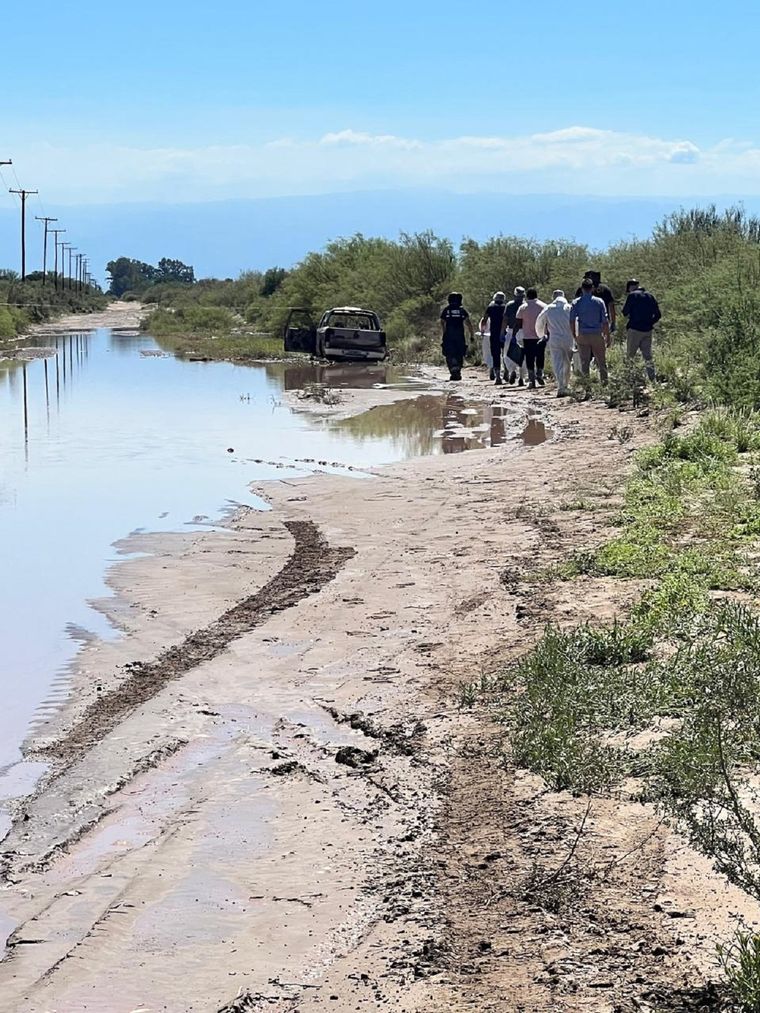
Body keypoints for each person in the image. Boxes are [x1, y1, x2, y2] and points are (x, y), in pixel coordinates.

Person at [570, 278, 610, 385]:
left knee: (585, 363)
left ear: (582, 289)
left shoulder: (576, 302)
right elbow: (605, 321)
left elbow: (572, 320)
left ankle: (587, 388)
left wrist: (574, 334)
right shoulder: (599, 301)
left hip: (583, 335)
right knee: (601, 362)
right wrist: (607, 336)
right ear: (592, 288)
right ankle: (605, 384)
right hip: (597, 334)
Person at [536, 290, 574, 397]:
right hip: (568, 339)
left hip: (555, 339)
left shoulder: (548, 309)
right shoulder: (569, 308)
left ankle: (560, 386)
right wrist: (577, 336)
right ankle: (565, 385)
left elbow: (539, 322)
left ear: (553, 297)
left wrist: (541, 334)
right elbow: (575, 322)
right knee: (567, 362)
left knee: (557, 362)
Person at [622, 279, 661, 381]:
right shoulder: (650, 296)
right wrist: (650, 323)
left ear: (630, 287)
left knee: (630, 356)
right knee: (648, 356)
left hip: (634, 329)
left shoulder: (632, 296)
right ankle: (652, 378)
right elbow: (658, 314)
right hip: (647, 330)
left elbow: (625, 312)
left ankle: (628, 378)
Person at [516, 287, 548, 390]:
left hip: (527, 337)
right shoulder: (544, 306)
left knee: (529, 358)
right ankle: (539, 373)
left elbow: (519, 322)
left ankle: (531, 379)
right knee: (540, 356)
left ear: (527, 296)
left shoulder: (523, 307)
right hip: (541, 336)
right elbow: (548, 321)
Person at [440, 292, 473, 381]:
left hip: (448, 335)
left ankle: (453, 371)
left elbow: (442, 321)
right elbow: (468, 323)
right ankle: (457, 371)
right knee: (460, 352)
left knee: (449, 353)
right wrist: (471, 335)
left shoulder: (446, 310)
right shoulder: (461, 310)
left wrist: (444, 332)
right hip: (459, 335)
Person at [481, 291, 509, 385]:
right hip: (505, 333)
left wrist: (482, 331)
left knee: (495, 354)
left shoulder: (490, 307)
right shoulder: (506, 307)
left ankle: (498, 377)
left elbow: (484, 320)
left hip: (494, 334)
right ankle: (506, 371)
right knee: (505, 354)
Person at [503, 286, 527, 385]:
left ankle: (512, 371)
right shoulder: (525, 306)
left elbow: (505, 319)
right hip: (524, 332)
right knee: (523, 355)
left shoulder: (509, 305)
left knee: (507, 354)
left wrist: (502, 332)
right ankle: (521, 377)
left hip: (511, 331)